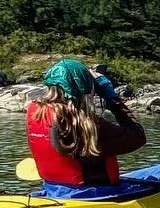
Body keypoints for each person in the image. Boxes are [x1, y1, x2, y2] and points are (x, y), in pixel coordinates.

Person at [26, 59, 147, 198]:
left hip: (53, 190)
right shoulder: (90, 125)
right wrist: (112, 99)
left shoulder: (34, 112)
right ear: (85, 88)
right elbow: (138, 137)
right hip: (94, 194)